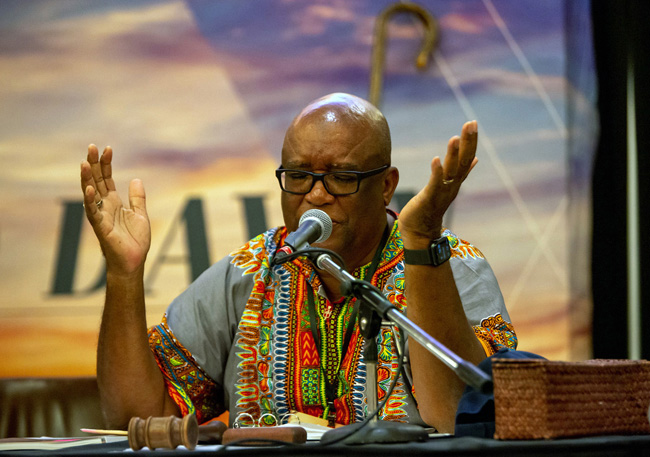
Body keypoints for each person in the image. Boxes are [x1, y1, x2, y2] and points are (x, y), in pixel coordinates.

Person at [80, 93, 516, 434]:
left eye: (341, 177)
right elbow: (137, 417)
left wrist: (420, 243)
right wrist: (124, 274)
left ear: (386, 186)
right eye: (299, 176)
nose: (317, 194)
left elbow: (463, 422)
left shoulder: (454, 267)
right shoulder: (253, 270)